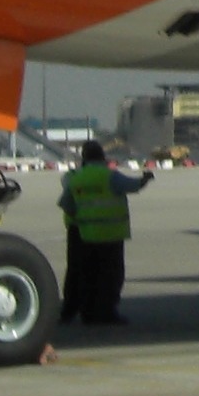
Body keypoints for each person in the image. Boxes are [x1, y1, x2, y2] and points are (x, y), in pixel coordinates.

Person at [58, 140, 147, 327]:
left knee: (82, 274)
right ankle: (106, 312)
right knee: (110, 276)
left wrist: (81, 217)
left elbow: (66, 204)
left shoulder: (74, 177)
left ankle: (80, 311)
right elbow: (133, 185)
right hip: (110, 235)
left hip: (85, 233)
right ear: (102, 156)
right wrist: (146, 179)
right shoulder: (110, 176)